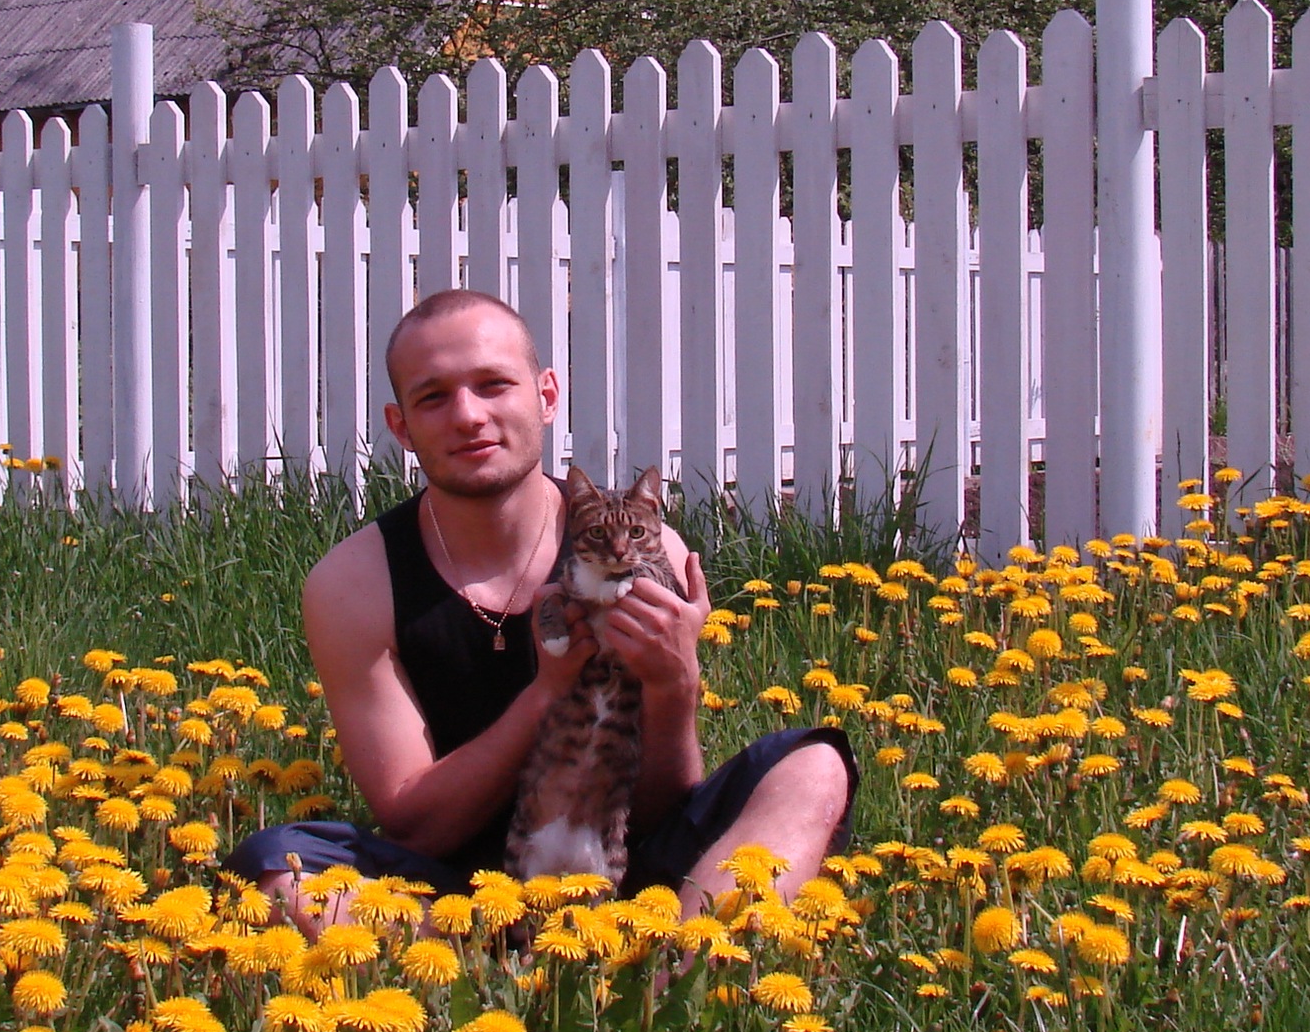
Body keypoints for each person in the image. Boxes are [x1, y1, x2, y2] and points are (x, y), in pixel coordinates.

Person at [226, 289, 854, 929]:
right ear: (401, 427)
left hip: (630, 866)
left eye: (493, 385)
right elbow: (417, 826)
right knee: (278, 867)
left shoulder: (645, 551)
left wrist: (675, 685)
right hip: (451, 887)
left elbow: (662, 809)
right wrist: (547, 691)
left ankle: (677, 968)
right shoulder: (354, 583)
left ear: (546, 396)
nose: (468, 416)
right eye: (433, 397)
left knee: (816, 765)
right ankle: (476, 957)